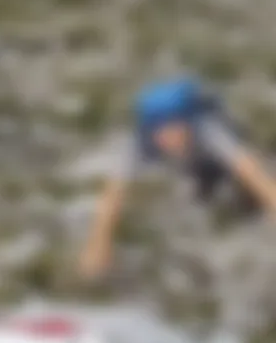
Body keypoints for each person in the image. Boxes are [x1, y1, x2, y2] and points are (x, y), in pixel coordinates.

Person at [78, 76, 276, 280]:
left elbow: (249, 168)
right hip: (195, 164)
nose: (170, 138)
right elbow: (113, 193)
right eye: (162, 132)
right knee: (203, 196)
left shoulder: (209, 128)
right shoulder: (138, 143)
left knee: (244, 193)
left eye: (176, 129)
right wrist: (98, 243)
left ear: (188, 123)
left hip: (219, 155)